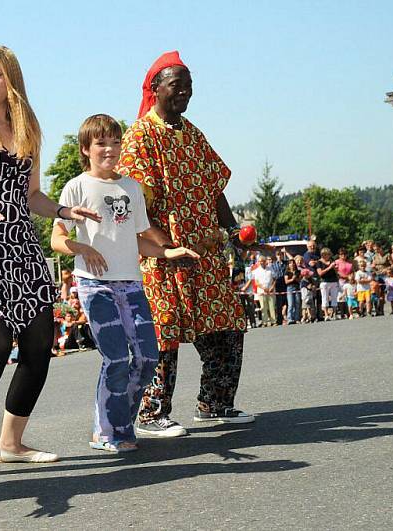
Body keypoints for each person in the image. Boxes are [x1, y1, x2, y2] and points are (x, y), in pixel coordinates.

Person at [0, 45, 100, 483]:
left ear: (12, 78)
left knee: (37, 348)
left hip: (22, 249)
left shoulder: (28, 130)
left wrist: (66, 212)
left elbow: (32, 197)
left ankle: (11, 443)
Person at [117, 51, 255, 430]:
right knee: (163, 334)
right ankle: (151, 413)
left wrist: (233, 232)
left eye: (189, 86)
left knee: (227, 325)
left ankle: (215, 404)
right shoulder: (139, 137)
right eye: (177, 85)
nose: (185, 93)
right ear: (155, 89)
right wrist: (165, 247)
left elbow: (215, 189)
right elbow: (136, 206)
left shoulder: (192, 133)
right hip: (162, 255)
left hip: (206, 253)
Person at [51, 113, 201, 447]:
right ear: (86, 149)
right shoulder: (76, 186)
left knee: (148, 358)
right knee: (117, 358)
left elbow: (138, 239)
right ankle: (105, 431)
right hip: (94, 284)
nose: (110, 149)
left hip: (131, 283)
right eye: (101, 143)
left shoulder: (131, 187)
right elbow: (56, 238)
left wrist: (168, 253)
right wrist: (80, 247)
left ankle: (122, 424)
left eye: (115, 142)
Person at [252, 256, 276, 327]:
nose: (261, 262)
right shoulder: (256, 271)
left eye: (262, 261)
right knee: (263, 307)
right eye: (260, 261)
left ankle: (273, 321)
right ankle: (264, 322)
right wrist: (263, 288)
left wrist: (272, 287)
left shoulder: (270, 269)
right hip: (262, 291)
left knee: (272, 306)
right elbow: (256, 282)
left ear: (265, 261)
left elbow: (274, 279)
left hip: (271, 290)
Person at [317, 248, 339, 320]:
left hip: (334, 281)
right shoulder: (319, 262)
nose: (328, 255)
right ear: (323, 255)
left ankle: (334, 314)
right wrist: (329, 267)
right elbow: (320, 273)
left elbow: (336, 271)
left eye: (329, 254)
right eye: (326, 254)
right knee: (324, 298)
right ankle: (326, 315)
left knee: (334, 298)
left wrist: (335, 268)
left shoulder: (332, 261)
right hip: (324, 282)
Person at [284, 259, 301, 325]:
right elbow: (286, 281)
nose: (292, 264)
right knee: (291, 304)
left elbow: (299, 280)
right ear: (288, 265)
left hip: (297, 287)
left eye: (293, 263)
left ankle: (297, 318)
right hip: (290, 288)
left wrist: (296, 278)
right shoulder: (287, 272)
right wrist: (292, 279)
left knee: (297, 303)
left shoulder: (298, 271)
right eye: (290, 263)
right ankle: (290, 319)